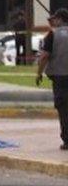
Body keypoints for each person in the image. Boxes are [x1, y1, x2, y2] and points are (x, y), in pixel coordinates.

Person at [35, 8, 68, 150]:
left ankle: (67, 140)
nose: (53, 21)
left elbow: (44, 56)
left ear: (60, 19)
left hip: (60, 78)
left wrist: (39, 73)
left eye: (55, 18)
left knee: (64, 109)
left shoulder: (53, 35)